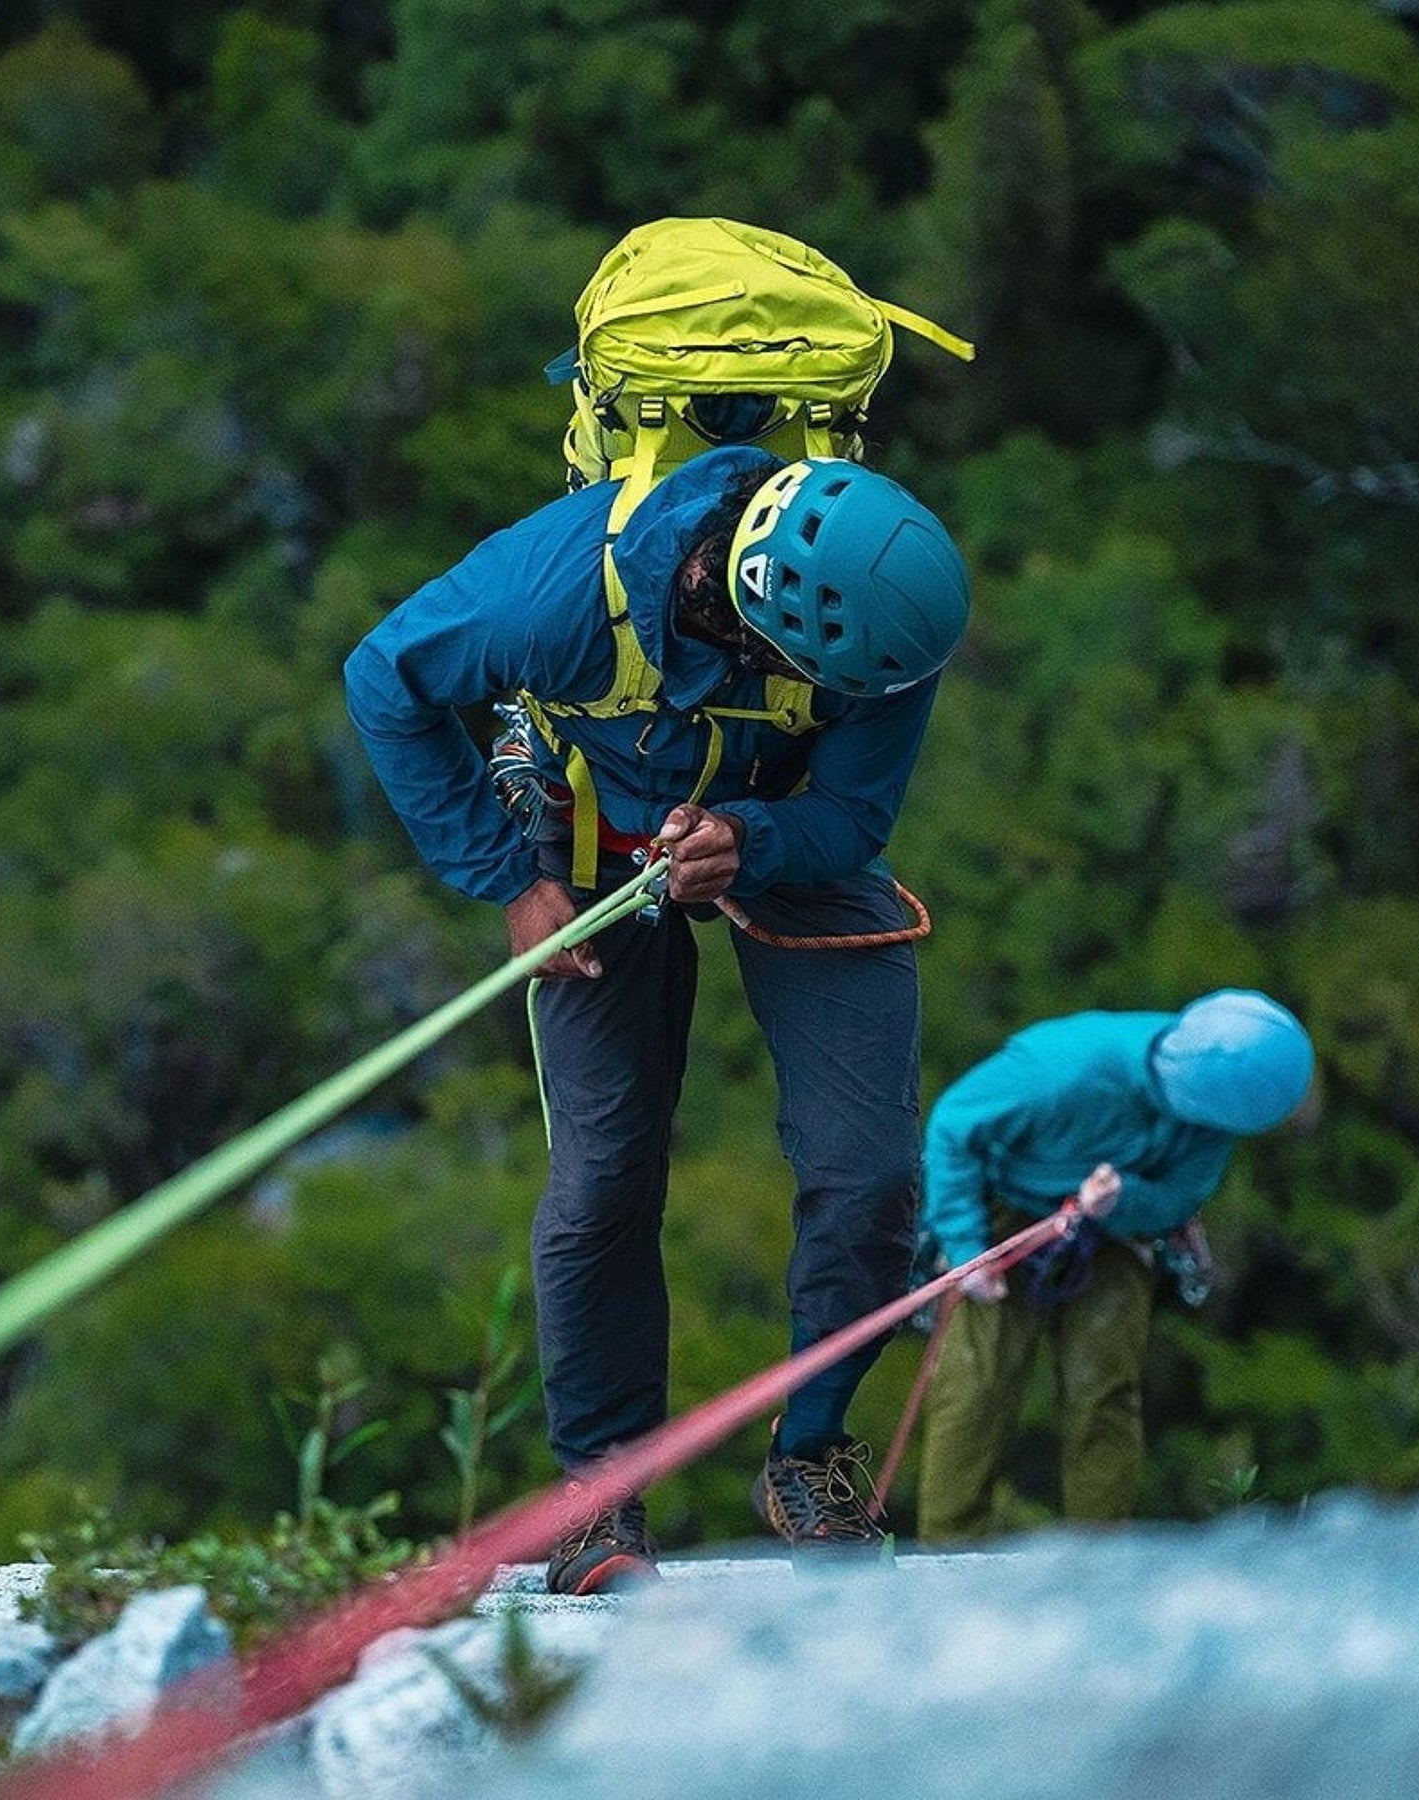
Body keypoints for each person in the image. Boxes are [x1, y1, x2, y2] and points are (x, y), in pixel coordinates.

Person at [344, 446, 970, 1592]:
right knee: (603, 1178)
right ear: (737, 609)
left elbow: (852, 811)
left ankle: (812, 1453)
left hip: (783, 832)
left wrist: (756, 844)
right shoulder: (560, 594)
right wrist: (509, 880)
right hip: (583, 836)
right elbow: (384, 677)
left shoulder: (887, 630)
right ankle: (598, 1498)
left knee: (870, 1169)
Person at [915, 990, 1313, 1538]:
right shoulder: (1060, 1069)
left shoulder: (1218, 1111)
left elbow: (1178, 1198)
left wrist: (1123, 1198)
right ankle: (947, 1550)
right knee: (978, 1383)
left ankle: (1098, 1553)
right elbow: (953, 1130)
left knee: (1102, 1385)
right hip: (999, 1211)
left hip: (1116, 1228)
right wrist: (965, 1249)